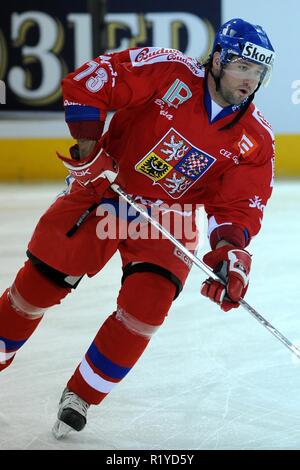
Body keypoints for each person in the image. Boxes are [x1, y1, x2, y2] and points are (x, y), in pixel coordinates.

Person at [0, 18, 275, 439]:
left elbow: (236, 207)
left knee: (147, 308)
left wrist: (229, 254)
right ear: (217, 59)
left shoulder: (255, 138)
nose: (249, 80)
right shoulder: (168, 70)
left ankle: (81, 397)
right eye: (242, 67)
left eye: (258, 72)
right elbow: (90, 83)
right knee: (37, 288)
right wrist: (90, 153)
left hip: (170, 216)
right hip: (108, 188)